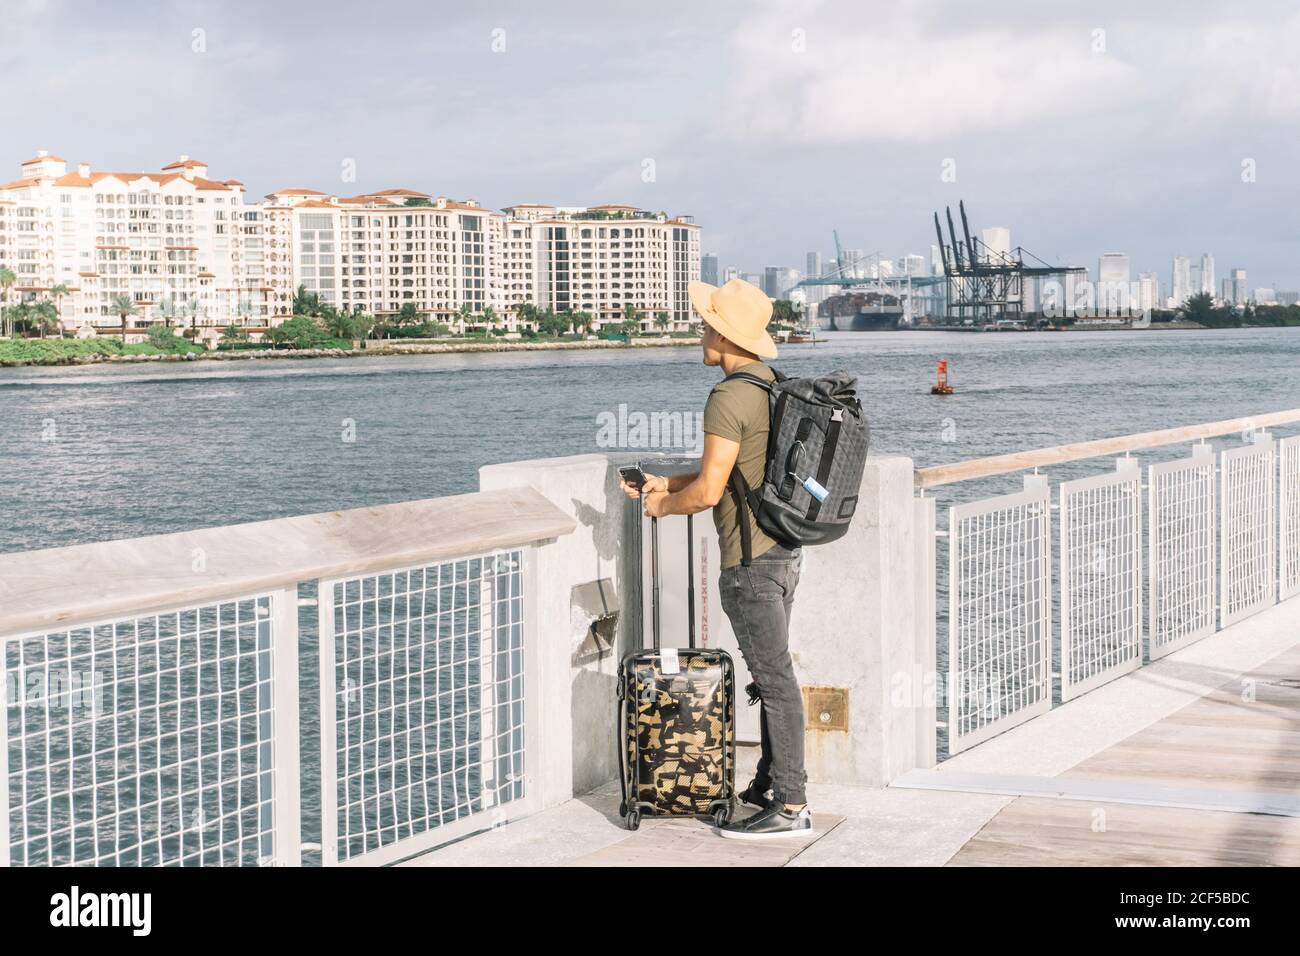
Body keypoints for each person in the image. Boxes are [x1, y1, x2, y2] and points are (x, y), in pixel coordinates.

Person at [619, 277, 811, 840]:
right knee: (775, 677)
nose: (700, 332)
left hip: (751, 564)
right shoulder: (772, 385)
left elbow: (705, 495)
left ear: (724, 335)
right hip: (782, 549)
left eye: (706, 324)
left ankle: (793, 807)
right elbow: (728, 475)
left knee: (776, 682)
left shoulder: (728, 396)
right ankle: (769, 785)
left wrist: (662, 506)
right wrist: (666, 481)